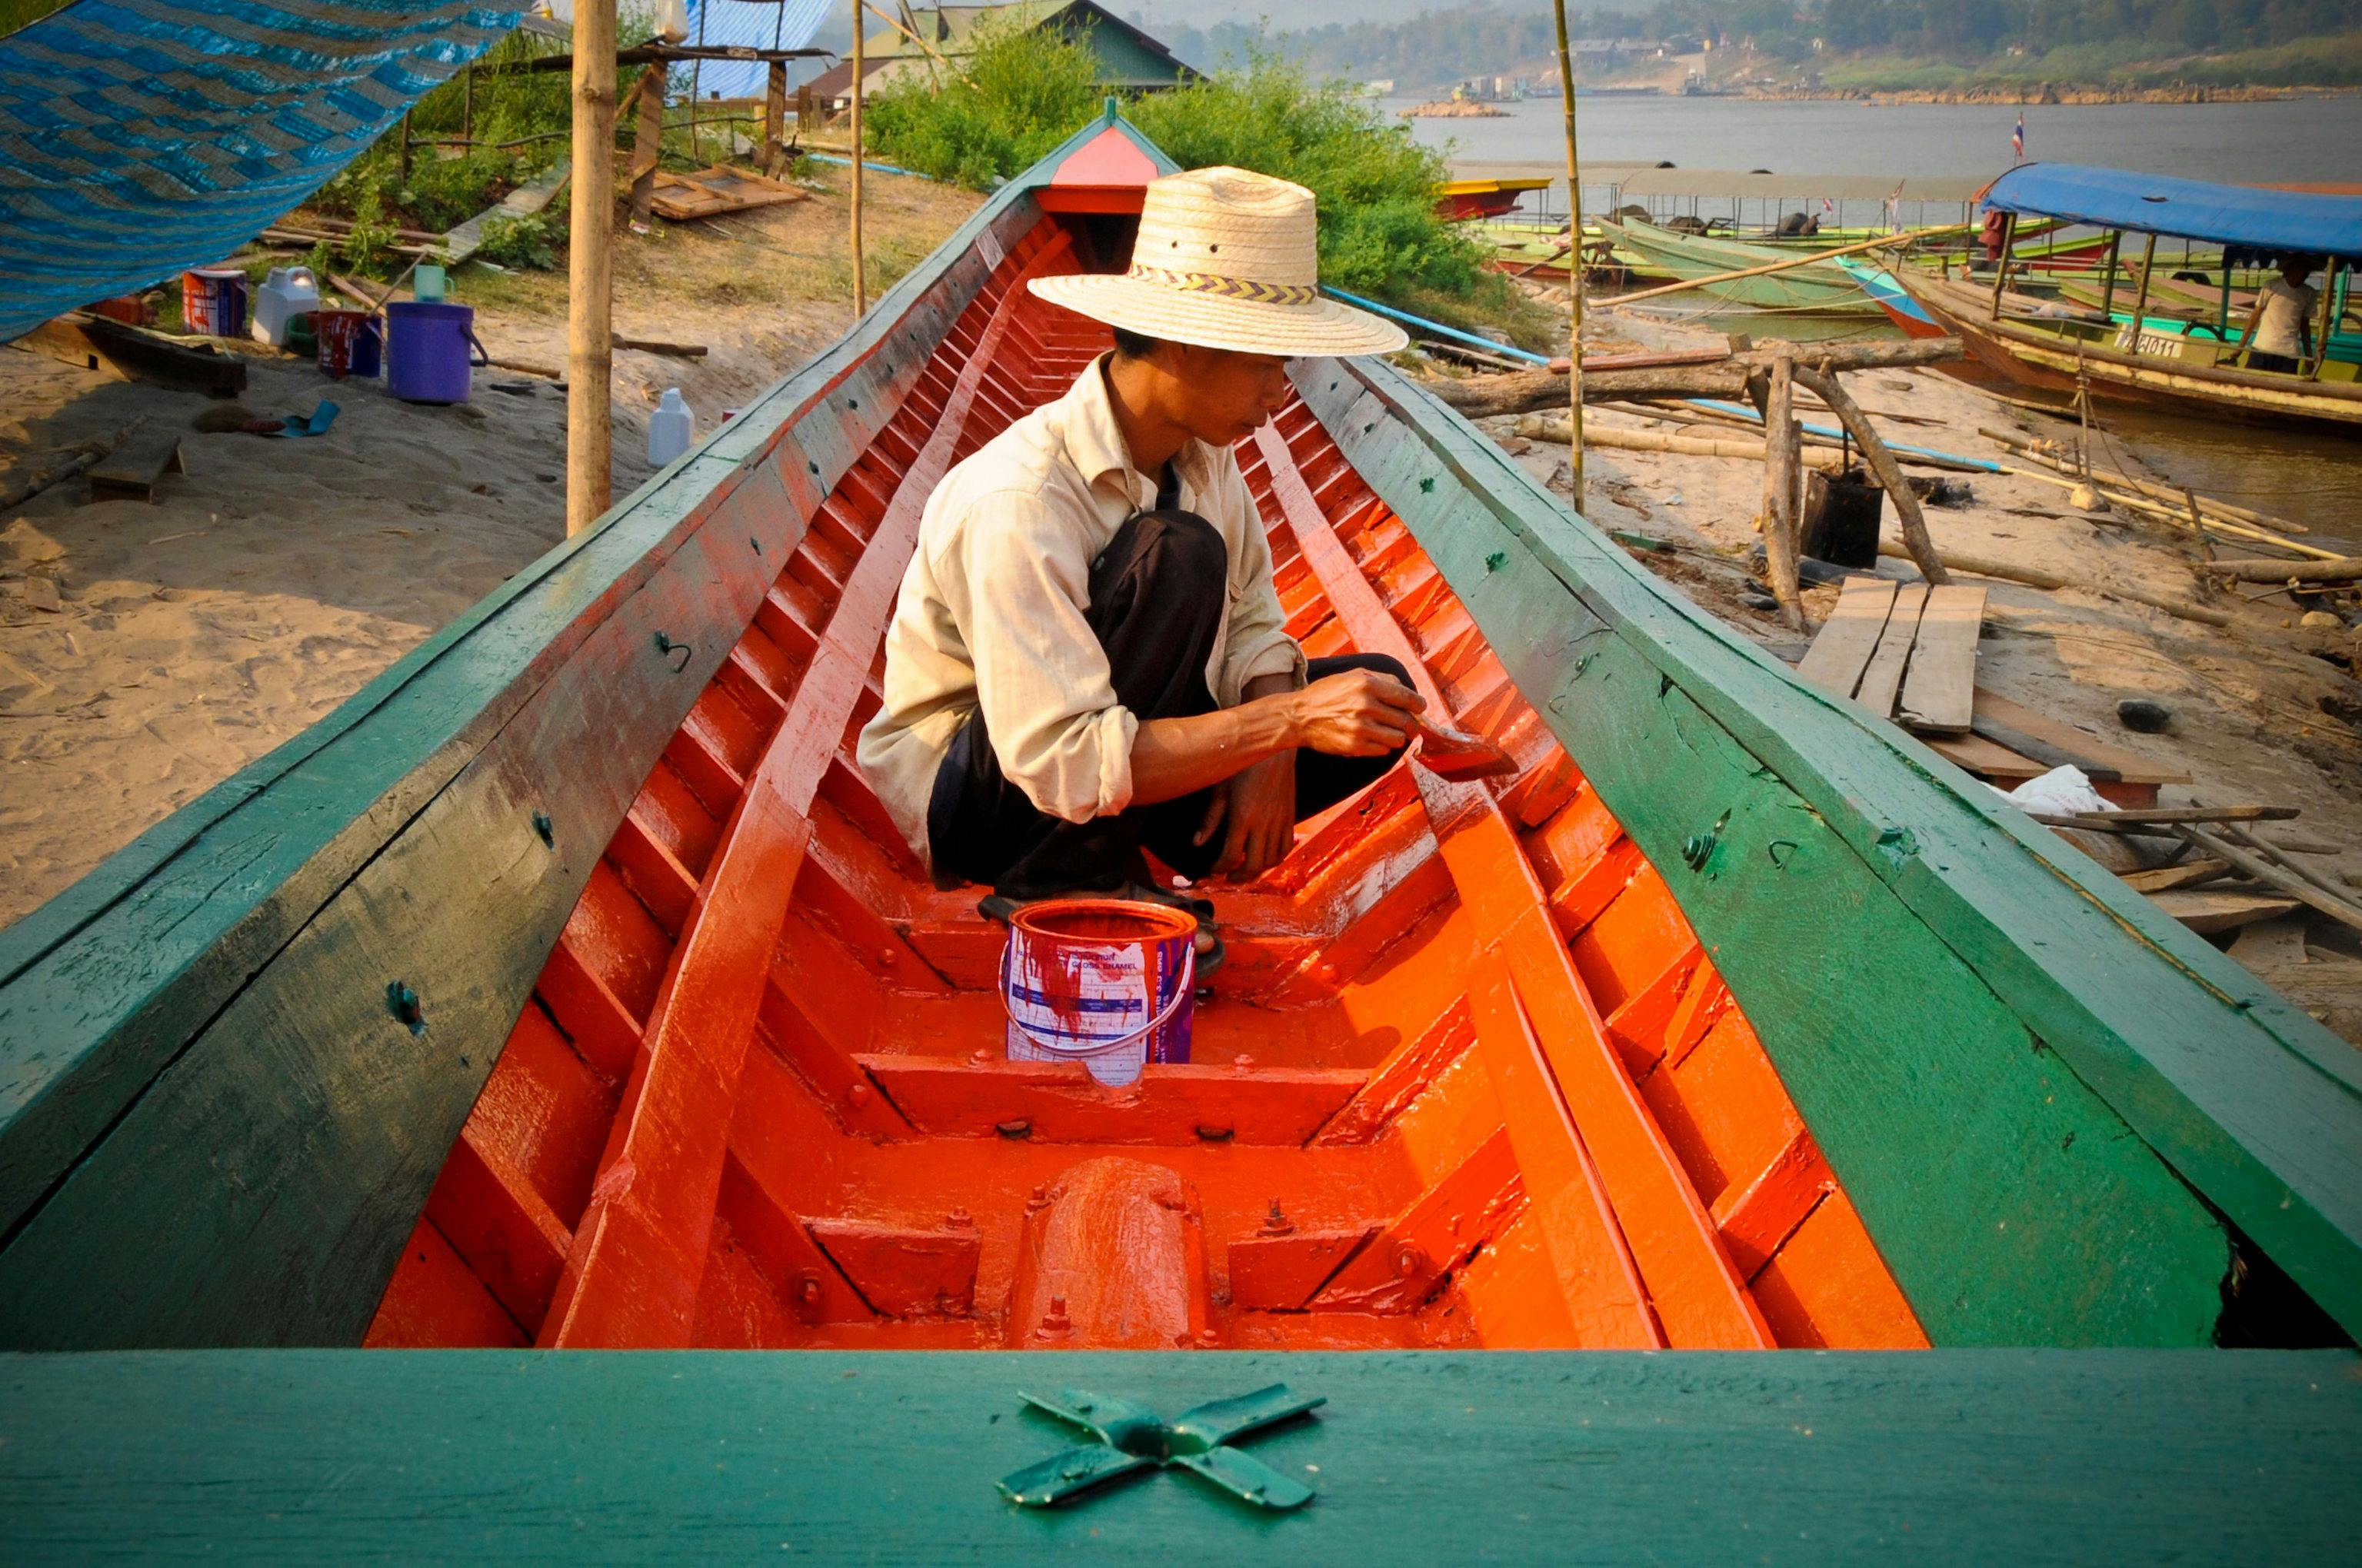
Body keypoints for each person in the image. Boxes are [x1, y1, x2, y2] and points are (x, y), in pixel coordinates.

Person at [856, 166, 1420, 972]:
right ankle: (1065, 874)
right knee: (1178, 554)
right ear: (1188, 345)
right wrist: (1284, 723)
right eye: (1267, 363)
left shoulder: (1203, 453)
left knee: (1376, 689)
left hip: (1108, 757)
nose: (1279, 392)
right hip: (989, 793)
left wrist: (1269, 758)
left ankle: (1122, 852)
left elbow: (1256, 619)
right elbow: (1057, 758)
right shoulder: (1018, 498)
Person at [2238, 254, 2320, 375]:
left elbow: (2305, 327)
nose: (2303, 274)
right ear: (2291, 269)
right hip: (2263, 347)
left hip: (2288, 352)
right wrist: (2240, 347)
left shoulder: (2309, 293)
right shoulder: (2272, 286)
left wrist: (2308, 357)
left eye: (2306, 271)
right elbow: (2254, 317)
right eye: (2301, 269)